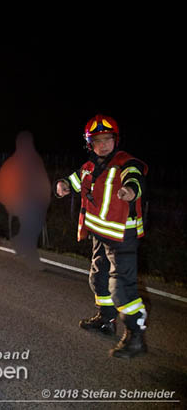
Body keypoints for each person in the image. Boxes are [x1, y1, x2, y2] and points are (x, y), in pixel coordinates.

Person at [55, 114, 148, 358]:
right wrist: (64, 184)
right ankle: (106, 320)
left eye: (108, 139)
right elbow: (76, 180)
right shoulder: (89, 166)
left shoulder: (125, 162)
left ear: (116, 141)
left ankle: (135, 336)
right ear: (90, 144)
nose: (103, 144)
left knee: (122, 287)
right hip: (100, 233)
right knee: (98, 277)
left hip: (122, 236)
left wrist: (131, 190)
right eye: (98, 140)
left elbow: (135, 176)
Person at [0, 131, 50, 269]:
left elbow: (43, 180)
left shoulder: (35, 160)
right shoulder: (13, 162)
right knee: (30, 227)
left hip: (37, 203)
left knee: (34, 227)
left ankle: (19, 242)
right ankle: (32, 258)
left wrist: (46, 198)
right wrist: (9, 202)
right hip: (22, 203)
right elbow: (3, 183)